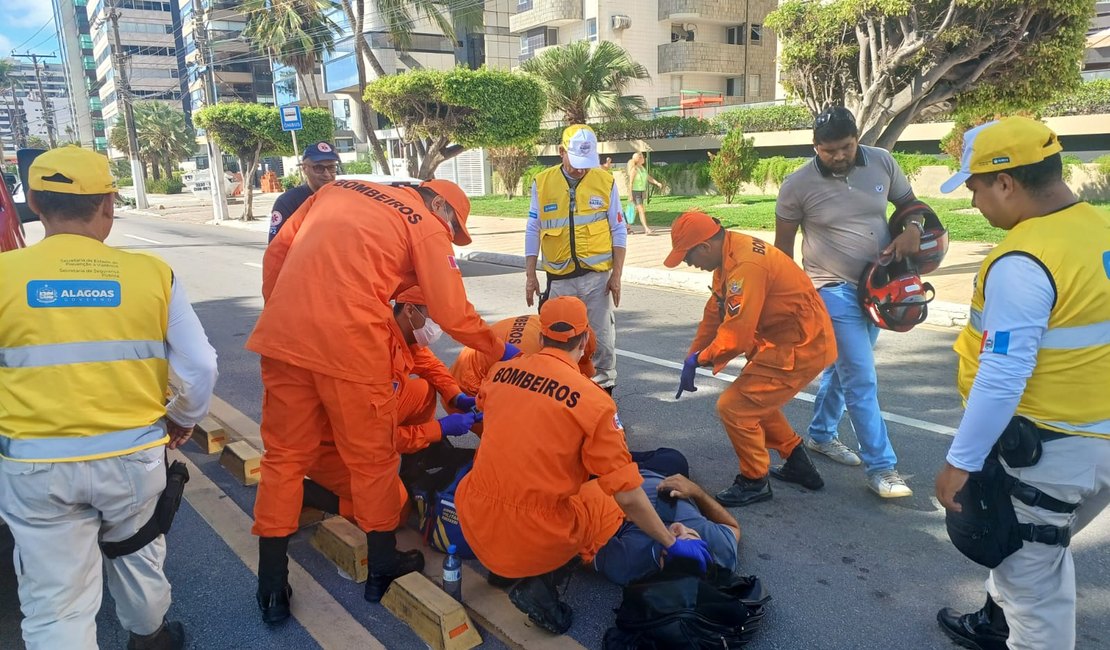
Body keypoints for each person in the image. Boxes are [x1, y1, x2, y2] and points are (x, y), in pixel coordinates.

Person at [247, 176, 519, 622]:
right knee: (371, 462)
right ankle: (381, 570)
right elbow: (451, 311)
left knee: (282, 461)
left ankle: (271, 588)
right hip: (351, 347)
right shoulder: (426, 223)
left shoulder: (339, 189)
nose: (450, 239)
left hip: (284, 337)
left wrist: (284, 312)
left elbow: (277, 252)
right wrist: (501, 349)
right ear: (440, 206)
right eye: (454, 230)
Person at [0, 147, 218, 649]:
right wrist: (181, 419)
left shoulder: (6, 275)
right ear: (108, 205)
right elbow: (201, 364)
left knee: (57, 600)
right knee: (137, 553)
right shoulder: (152, 275)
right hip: (132, 457)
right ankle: (150, 638)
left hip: (35, 465)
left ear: (33, 202)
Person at [933, 117, 1110, 650]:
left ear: (1006, 183)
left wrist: (960, 462)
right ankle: (993, 620)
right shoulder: (1097, 230)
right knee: (1029, 555)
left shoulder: (1023, 260)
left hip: (1047, 453)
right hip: (1096, 441)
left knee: (1036, 603)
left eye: (975, 186)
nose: (973, 200)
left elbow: (1002, 375)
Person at [455, 297, 712, 634]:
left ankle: (510, 565)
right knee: (604, 502)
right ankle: (540, 578)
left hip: (474, 520)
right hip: (530, 539)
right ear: (585, 339)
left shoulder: (501, 372)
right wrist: (670, 541)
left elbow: (503, 414)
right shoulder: (593, 401)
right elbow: (628, 495)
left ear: (542, 335)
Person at [773, 105, 924, 498]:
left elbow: (910, 205)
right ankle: (883, 468)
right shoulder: (797, 185)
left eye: (845, 146)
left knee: (843, 370)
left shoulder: (882, 163)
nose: (839, 156)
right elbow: (782, 250)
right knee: (861, 375)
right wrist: (787, 302)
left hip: (878, 288)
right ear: (815, 147)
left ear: (857, 138)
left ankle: (821, 434)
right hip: (830, 288)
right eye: (828, 150)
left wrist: (912, 227)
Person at [667, 211, 834, 506]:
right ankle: (797, 462)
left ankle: (754, 480)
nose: (688, 264)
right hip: (785, 340)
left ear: (704, 247)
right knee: (756, 399)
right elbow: (715, 311)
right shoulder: (729, 252)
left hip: (800, 344)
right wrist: (691, 356)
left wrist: (703, 358)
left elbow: (736, 336)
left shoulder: (746, 265)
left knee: (734, 407)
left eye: (687, 257)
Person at [304, 285, 482, 519]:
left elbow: (430, 364)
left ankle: (415, 464)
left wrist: (455, 395)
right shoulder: (375, 354)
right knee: (394, 510)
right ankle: (308, 494)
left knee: (424, 390)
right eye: (433, 318)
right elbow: (376, 438)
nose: (436, 327)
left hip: (363, 426)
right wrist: (438, 429)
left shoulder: (398, 330)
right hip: (334, 447)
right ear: (409, 310)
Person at [524, 124, 626, 394]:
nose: (582, 169)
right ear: (561, 152)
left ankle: (605, 389)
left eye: (587, 163)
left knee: (602, 338)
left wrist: (616, 276)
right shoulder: (543, 182)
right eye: (577, 162)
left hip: (597, 279)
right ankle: (564, 388)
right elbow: (533, 228)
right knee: (558, 339)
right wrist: (530, 274)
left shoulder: (605, 181)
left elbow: (618, 229)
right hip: (560, 280)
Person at [594, 472, 740, 586]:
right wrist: (697, 492)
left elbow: (581, 551)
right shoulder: (719, 548)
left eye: (676, 539)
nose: (679, 527)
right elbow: (733, 527)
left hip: (618, 480)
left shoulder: (626, 564)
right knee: (674, 456)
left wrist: (612, 513)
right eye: (690, 536)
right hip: (666, 472)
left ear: (662, 562)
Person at [450, 312, 596, 400]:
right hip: (466, 386)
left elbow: (583, 375)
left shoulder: (553, 326)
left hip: (482, 370)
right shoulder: (529, 361)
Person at [268, 142, 341, 242]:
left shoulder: (342, 199)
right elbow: (275, 246)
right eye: (319, 168)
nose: (327, 174)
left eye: (331, 167)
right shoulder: (288, 202)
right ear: (304, 169)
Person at [626, 151, 664, 236]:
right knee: (641, 210)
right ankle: (646, 229)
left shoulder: (642, 169)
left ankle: (626, 228)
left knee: (635, 211)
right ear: (638, 159)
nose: (644, 158)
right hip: (635, 192)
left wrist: (657, 183)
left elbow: (648, 178)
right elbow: (631, 183)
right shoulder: (634, 169)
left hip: (641, 191)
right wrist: (630, 195)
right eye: (642, 157)